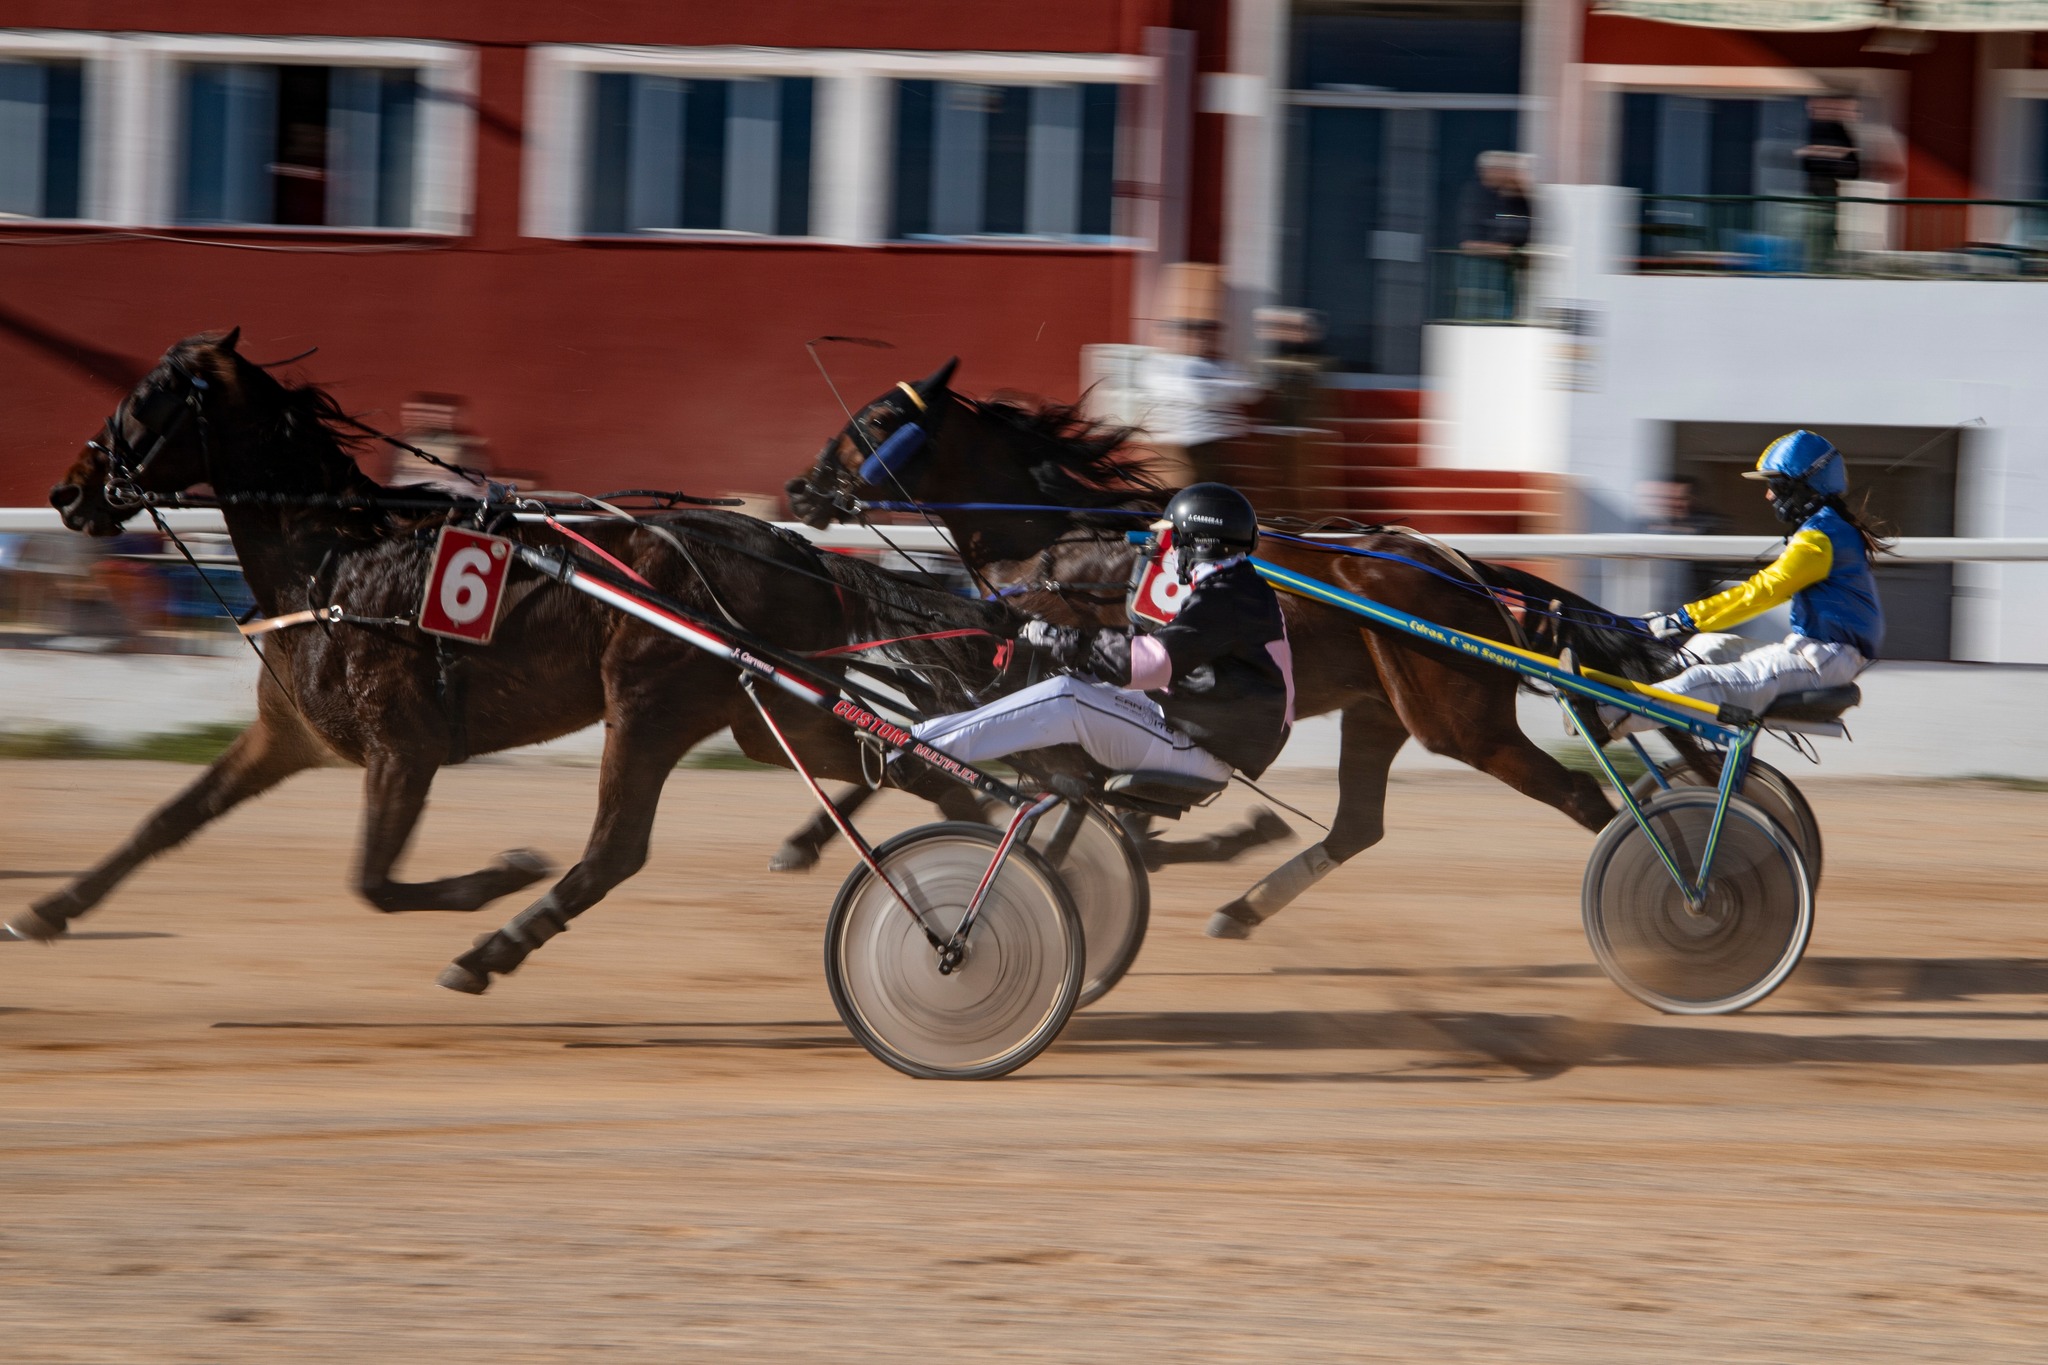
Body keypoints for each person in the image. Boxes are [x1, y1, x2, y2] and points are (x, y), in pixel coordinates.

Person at [908, 483, 1293, 788]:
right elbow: (1157, 648)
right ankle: (934, 740)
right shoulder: (1236, 588)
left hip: (1201, 749)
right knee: (1075, 684)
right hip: (1197, 733)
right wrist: (1066, 643)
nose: (1167, 550)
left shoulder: (1227, 595)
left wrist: (1065, 643)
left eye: (1173, 539)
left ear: (1198, 542)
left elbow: (1153, 662)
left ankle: (917, 748)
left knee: (1068, 697)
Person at [1624, 431, 1884, 725]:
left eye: (1775, 485)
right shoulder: (1825, 529)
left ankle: (1608, 712)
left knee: (1704, 680)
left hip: (1825, 659)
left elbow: (1763, 591)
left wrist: (1682, 619)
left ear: (1804, 486)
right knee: (1707, 646)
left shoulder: (1821, 536)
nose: (1769, 494)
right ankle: (1643, 689)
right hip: (1812, 650)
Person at [1134, 321, 1261, 487]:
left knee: (1216, 481)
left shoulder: (1222, 365)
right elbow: (1198, 394)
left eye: (1211, 337)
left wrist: (1212, 387)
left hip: (1218, 438)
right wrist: (1224, 387)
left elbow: (1251, 391)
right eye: (1201, 337)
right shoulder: (1168, 364)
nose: (1205, 341)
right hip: (1185, 439)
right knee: (1191, 481)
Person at [1456, 151, 1533, 319]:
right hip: (1484, 274)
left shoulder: (1517, 199)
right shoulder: (1477, 195)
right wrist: (1508, 250)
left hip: (1508, 274)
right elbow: (1469, 244)